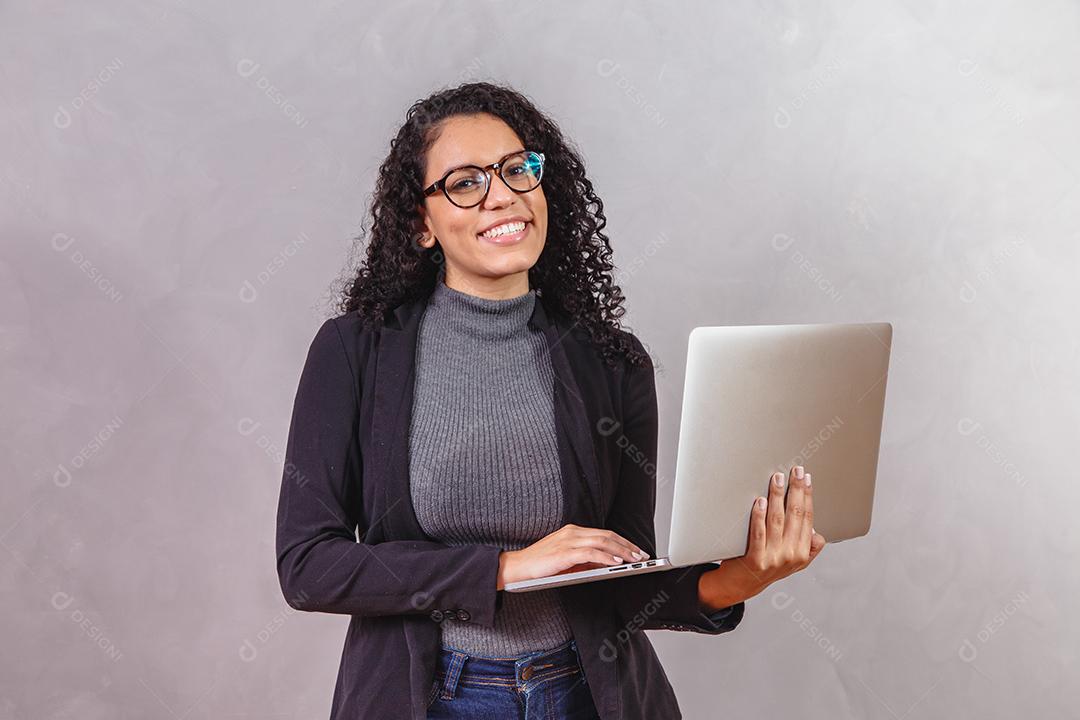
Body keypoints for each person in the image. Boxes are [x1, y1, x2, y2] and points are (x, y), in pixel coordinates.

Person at [275, 81, 827, 720]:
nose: (502, 195)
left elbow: (623, 582)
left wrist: (749, 573)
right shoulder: (356, 352)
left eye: (517, 170)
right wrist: (507, 568)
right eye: (464, 183)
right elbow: (310, 565)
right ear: (422, 224)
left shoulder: (611, 362)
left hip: (587, 694)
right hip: (432, 700)